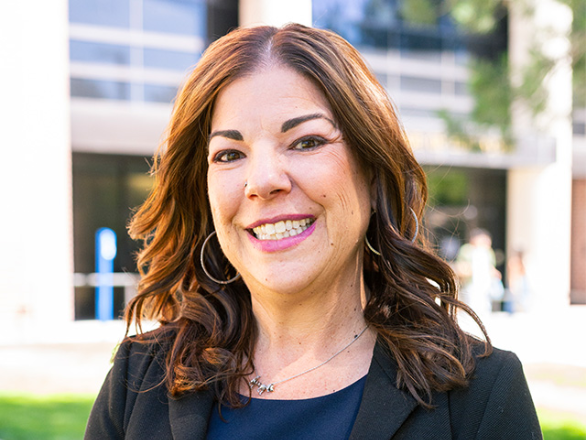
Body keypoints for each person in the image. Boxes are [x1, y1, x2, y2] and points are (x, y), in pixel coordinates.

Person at [85, 24, 542, 439]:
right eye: (228, 154)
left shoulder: (479, 394)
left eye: (307, 142)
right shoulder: (139, 379)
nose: (262, 181)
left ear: (372, 168)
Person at [455, 228, 504, 319]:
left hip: (485, 287)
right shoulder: (467, 250)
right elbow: (461, 267)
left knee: (484, 312)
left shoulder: (488, 252)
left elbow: (491, 268)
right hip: (470, 286)